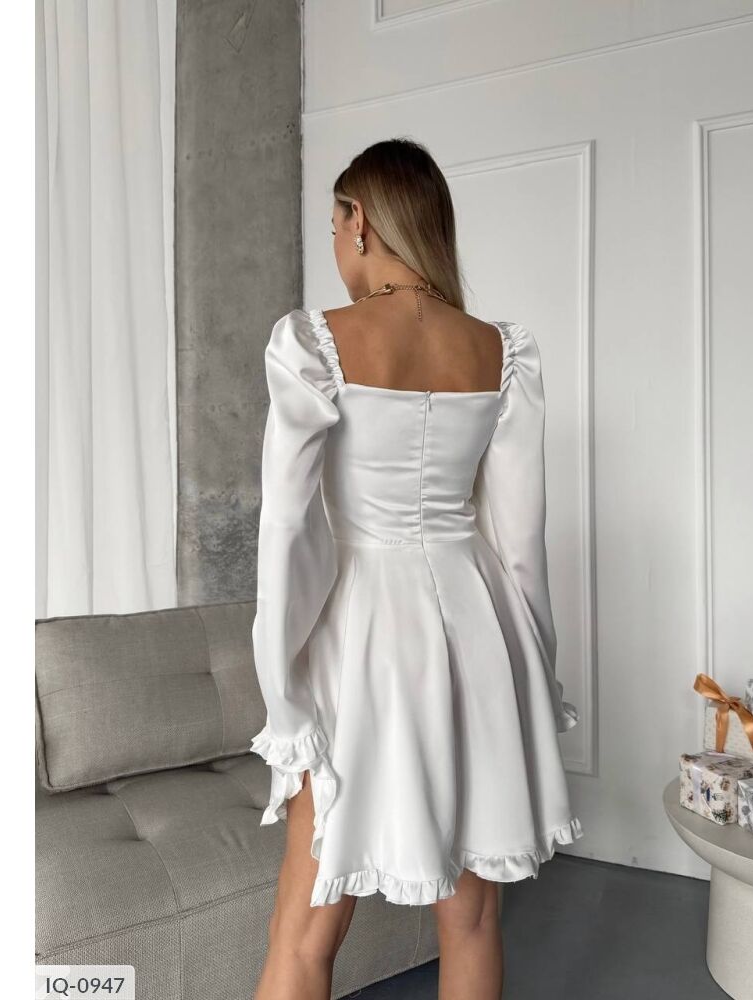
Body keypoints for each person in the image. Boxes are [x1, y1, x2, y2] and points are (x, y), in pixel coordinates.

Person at [251, 138, 580, 1000]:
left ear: (359, 219)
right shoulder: (499, 349)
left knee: (303, 934)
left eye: (333, 225)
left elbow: (288, 528)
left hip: (361, 633)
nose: (335, 244)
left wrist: (283, 692)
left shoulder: (313, 342)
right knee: (471, 922)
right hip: (479, 629)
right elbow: (520, 539)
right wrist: (534, 671)